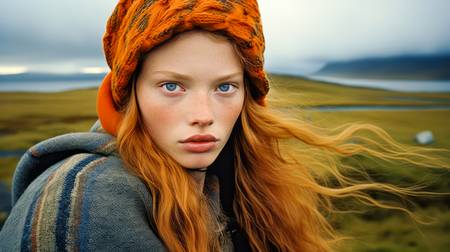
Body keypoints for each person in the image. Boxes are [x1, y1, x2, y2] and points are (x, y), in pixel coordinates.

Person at [0, 0, 447, 251]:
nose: (204, 114)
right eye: (172, 86)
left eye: (225, 87)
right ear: (127, 91)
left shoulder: (235, 177)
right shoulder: (88, 198)